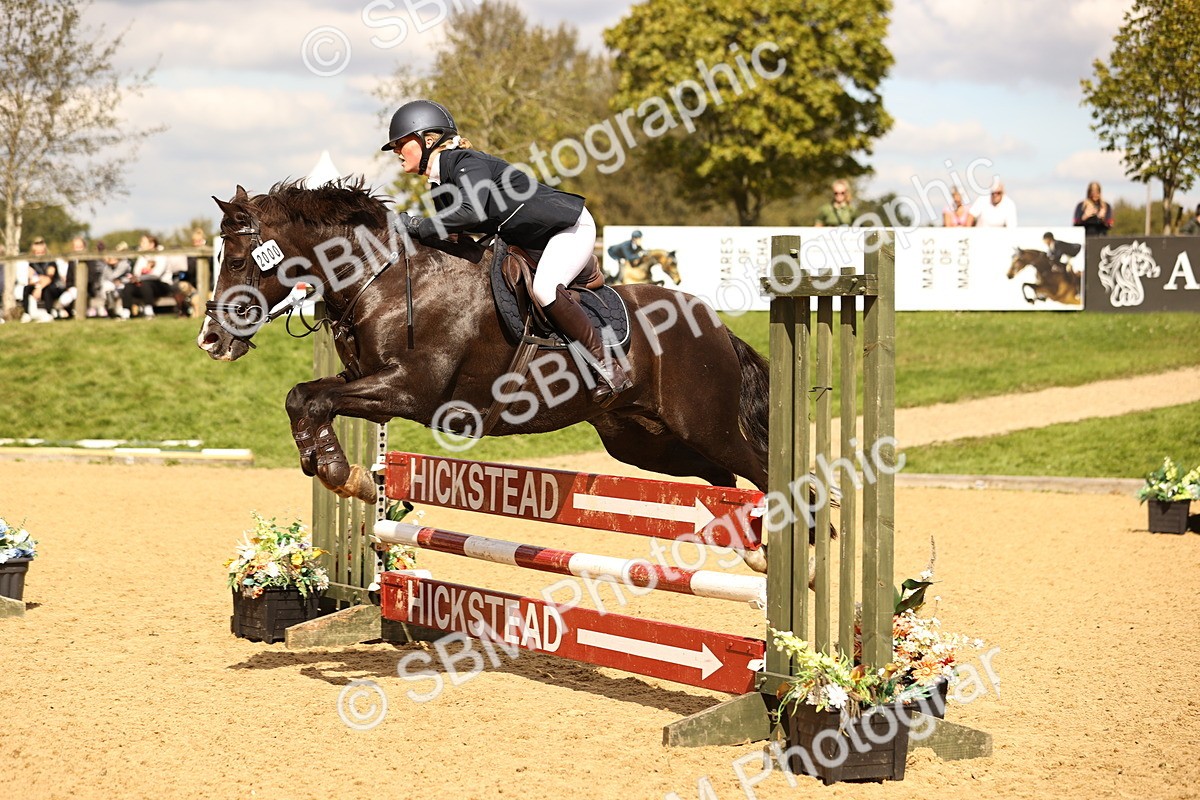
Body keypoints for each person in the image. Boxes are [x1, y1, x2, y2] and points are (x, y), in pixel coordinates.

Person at [383, 99, 631, 404]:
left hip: (568, 227)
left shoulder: (464, 161)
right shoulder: (439, 185)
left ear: (428, 139)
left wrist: (417, 224)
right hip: (532, 239)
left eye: (400, 143)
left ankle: (608, 366)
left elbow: (471, 211)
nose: (396, 151)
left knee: (544, 289)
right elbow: (453, 236)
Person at [120, 234, 171, 317]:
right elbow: (136, 272)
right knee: (128, 286)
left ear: (152, 244)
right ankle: (126, 311)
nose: (141, 244)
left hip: (161, 284)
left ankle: (148, 309)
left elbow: (156, 275)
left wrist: (139, 278)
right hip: (142, 284)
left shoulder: (161, 256)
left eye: (143, 242)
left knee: (146, 284)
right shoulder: (142, 257)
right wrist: (134, 278)